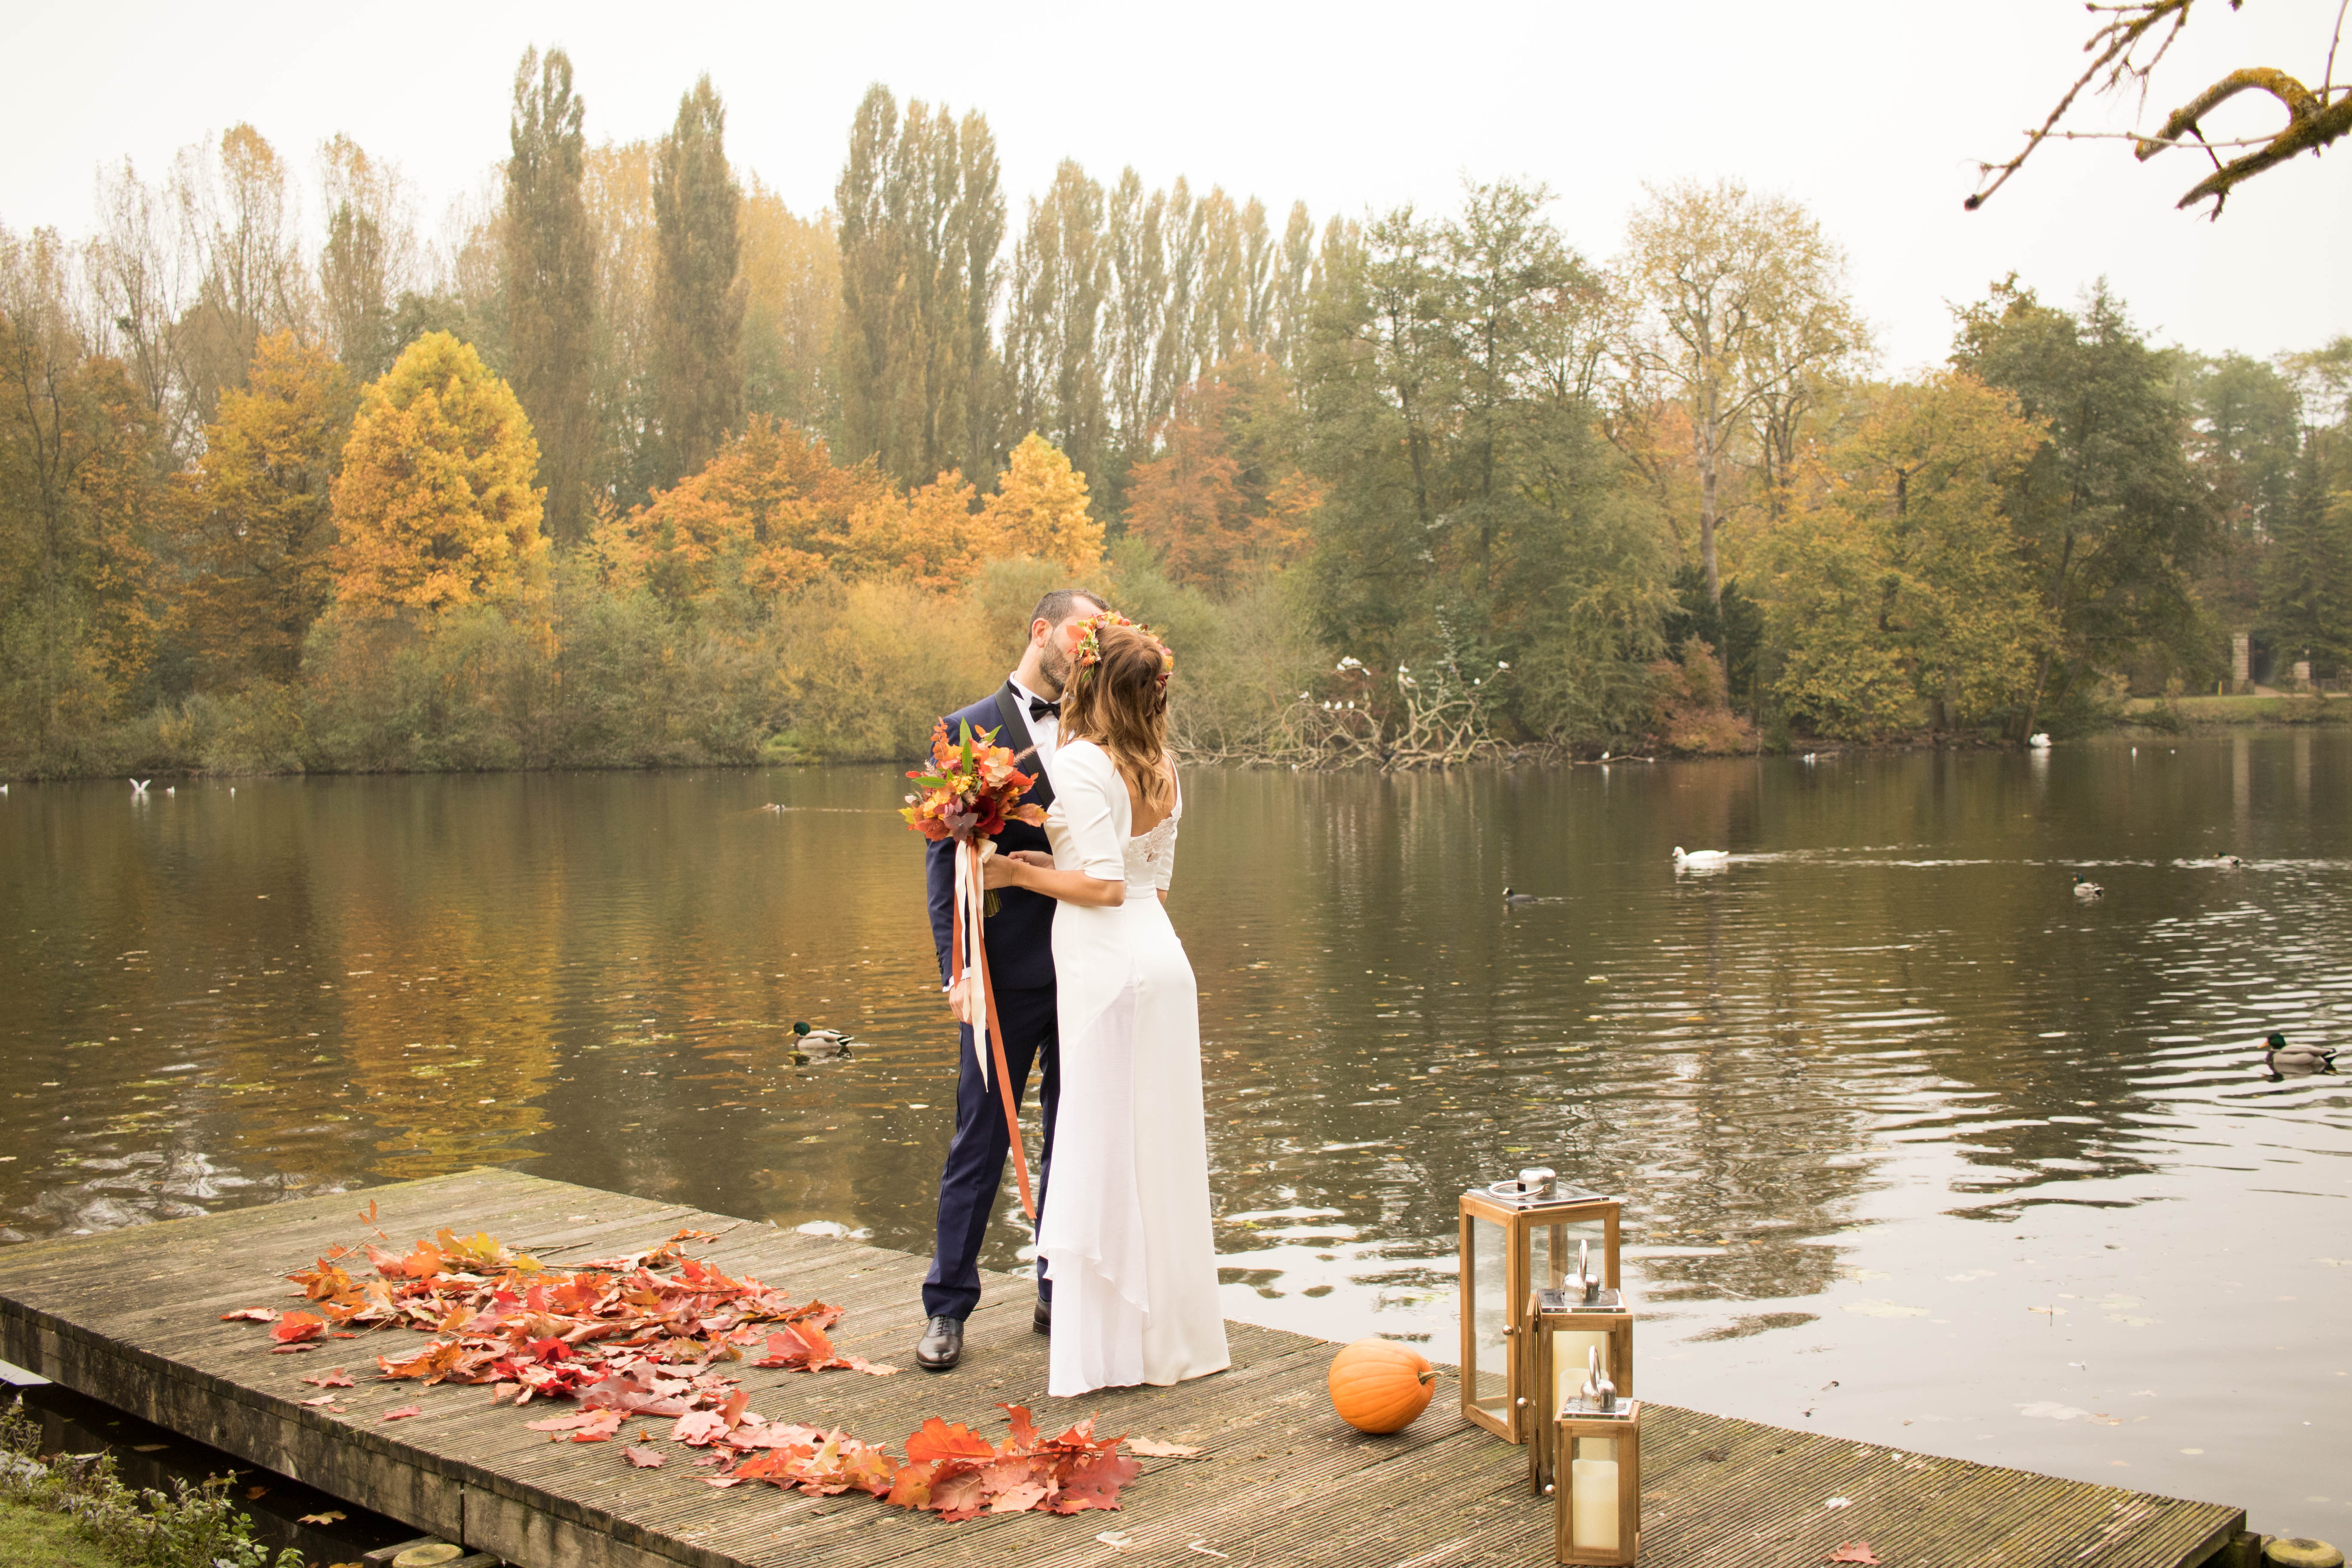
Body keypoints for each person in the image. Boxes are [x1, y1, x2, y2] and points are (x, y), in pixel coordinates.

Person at [982, 613, 1230, 1396]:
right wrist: (1040, 850)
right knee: (1157, 1150)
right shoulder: (1161, 763)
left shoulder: (1082, 760)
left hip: (1109, 966)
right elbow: (1145, 881)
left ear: (1089, 681)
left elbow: (1102, 886)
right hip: (1162, 959)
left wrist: (1019, 877)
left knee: (1104, 1143)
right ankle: (1172, 1343)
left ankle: (1116, 1349)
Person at [915, 586, 1107, 1373]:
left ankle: (1055, 1290)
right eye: (1080, 633)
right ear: (1041, 632)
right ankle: (947, 1305)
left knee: (1075, 1136)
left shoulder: (1100, 730)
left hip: (1090, 961)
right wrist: (957, 970)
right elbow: (941, 866)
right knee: (980, 1139)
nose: (1089, 650)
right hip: (1001, 974)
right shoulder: (965, 731)